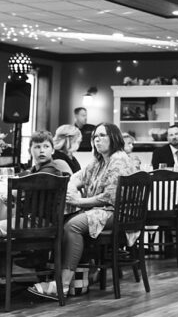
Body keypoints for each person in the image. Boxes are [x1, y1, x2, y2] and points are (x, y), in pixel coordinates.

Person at [27, 122, 132, 300]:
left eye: (102, 136)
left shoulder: (119, 159)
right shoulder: (99, 161)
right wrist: (72, 188)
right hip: (102, 211)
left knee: (73, 226)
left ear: (114, 138)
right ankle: (79, 276)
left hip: (117, 213)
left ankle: (63, 285)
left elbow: (109, 197)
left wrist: (79, 201)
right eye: (95, 137)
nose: (97, 140)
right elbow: (77, 177)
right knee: (68, 221)